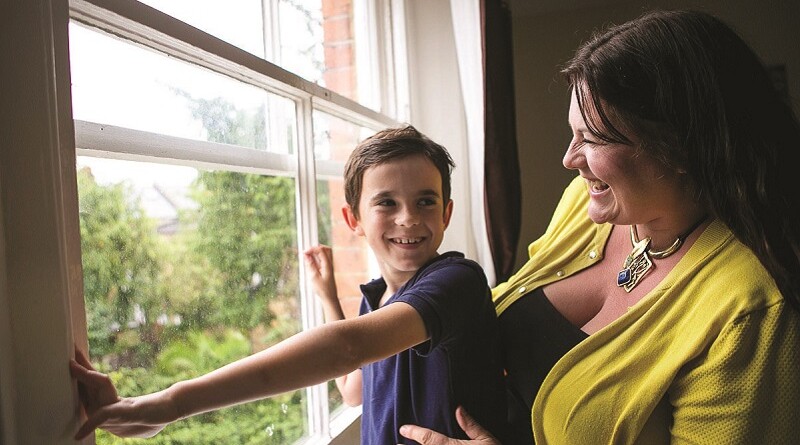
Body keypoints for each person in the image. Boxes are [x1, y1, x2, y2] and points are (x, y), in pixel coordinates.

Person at [398, 9, 800, 445]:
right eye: (572, 134)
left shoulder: (750, 307)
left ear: (682, 147)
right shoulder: (584, 203)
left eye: (592, 138)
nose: (569, 159)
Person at [70, 125, 508, 444]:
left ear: (446, 213)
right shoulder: (380, 300)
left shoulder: (457, 282)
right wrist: (328, 298)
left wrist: (172, 403)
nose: (408, 218)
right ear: (353, 219)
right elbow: (353, 389)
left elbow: (347, 347)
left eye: (425, 201)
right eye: (386, 203)